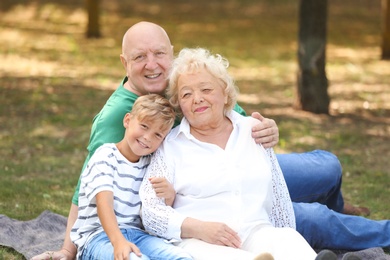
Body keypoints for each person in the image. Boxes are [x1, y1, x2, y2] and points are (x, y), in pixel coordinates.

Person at [31, 21, 389, 260]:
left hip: (238, 173)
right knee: (314, 218)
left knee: (327, 167)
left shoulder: (188, 79)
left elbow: (237, 114)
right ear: (125, 63)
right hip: (191, 193)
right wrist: (69, 249)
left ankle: (337, 205)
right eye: (140, 57)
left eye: (159, 53)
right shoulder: (119, 117)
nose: (152, 64)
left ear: (171, 52)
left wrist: (268, 131)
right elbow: (89, 183)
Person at [139, 47, 344, 260]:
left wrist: (284, 241)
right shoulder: (170, 146)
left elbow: (279, 200)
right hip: (199, 242)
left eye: (206, 90)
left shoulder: (254, 130)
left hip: (256, 232)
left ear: (225, 92)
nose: (197, 99)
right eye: (186, 94)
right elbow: (151, 213)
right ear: (179, 103)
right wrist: (199, 228)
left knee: (287, 240)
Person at [70, 94, 193, 260]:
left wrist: (169, 196)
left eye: (158, 135)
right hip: (98, 239)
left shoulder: (151, 163)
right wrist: (118, 241)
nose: (147, 137)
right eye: (144, 126)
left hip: (139, 235)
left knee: (181, 257)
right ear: (127, 120)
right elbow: (103, 202)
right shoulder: (105, 156)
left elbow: (155, 210)